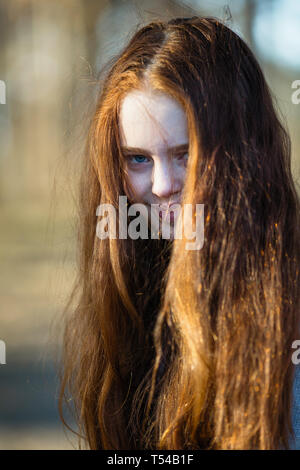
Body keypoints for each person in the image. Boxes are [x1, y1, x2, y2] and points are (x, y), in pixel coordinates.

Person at [58, 16, 300, 450]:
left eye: (185, 153)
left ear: (243, 153)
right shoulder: (128, 291)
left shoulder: (287, 311)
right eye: (137, 159)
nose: (162, 185)